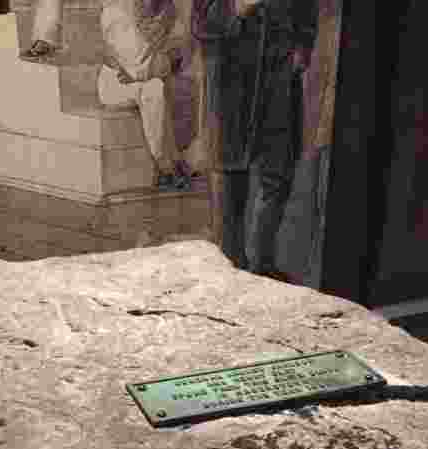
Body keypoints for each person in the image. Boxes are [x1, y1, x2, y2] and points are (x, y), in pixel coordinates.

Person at [192, 0, 317, 274]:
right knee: (231, 176)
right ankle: (232, 269)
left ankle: (262, 267)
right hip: (233, 78)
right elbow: (201, 21)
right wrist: (236, 8)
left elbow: (307, 10)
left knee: (278, 173)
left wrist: (303, 44)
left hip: (281, 75)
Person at [98, 0, 192, 190]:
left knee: (179, 87)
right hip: (116, 84)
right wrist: (152, 68)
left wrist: (162, 62)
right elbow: (129, 66)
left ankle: (178, 158)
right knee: (154, 89)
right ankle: (165, 168)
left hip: (143, 77)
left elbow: (178, 59)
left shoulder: (169, 14)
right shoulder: (118, 11)